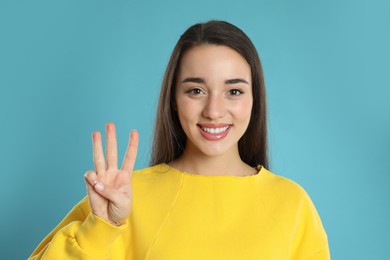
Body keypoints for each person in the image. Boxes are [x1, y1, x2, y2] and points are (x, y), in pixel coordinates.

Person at [29, 20, 330, 259]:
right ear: (173, 99)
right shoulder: (124, 198)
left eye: (234, 91)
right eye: (195, 91)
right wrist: (101, 229)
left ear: (255, 100)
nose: (214, 111)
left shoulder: (292, 205)